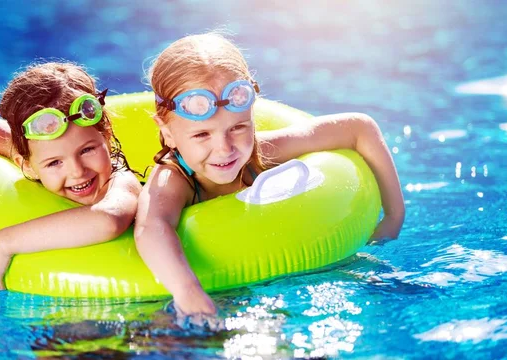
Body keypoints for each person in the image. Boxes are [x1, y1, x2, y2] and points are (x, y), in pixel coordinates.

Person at [134, 33, 405, 320]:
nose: (224, 149)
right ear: (167, 133)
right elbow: (152, 226)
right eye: (202, 134)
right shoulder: (174, 179)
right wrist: (187, 290)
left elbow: (359, 128)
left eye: (238, 127)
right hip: (207, 290)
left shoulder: (260, 154)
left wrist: (393, 216)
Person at [0, 62, 141, 290]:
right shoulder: (35, 148)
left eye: (87, 150)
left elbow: (108, 220)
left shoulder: (120, 182)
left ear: (107, 138)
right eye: (55, 163)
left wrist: (3, 242)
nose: (77, 171)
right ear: (26, 166)